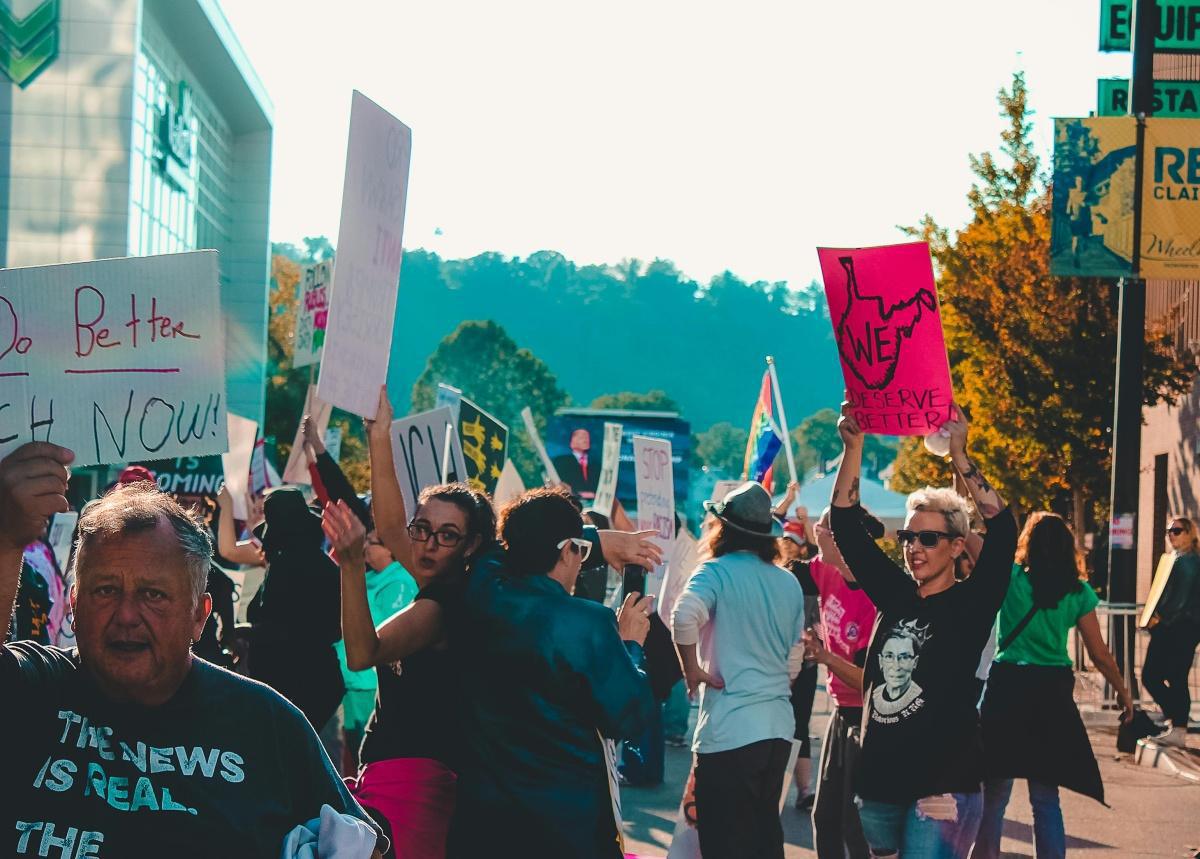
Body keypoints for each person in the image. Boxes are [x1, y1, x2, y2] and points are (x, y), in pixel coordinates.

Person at [0, 442, 384, 858]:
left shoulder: (267, 725)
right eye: (105, 590)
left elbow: (367, 848)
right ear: (74, 606)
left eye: (153, 594)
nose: (126, 615)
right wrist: (5, 539)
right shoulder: (33, 687)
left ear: (199, 616)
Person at [830, 403, 1016, 859]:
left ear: (956, 547)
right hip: (878, 787)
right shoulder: (895, 594)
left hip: (941, 789)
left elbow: (1003, 530)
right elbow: (845, 527)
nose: (914, 547)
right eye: (909, 537)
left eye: (928, 538)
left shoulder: (973, 602)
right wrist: (853, 448)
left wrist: (960, 455)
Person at [324, 387, 500, 859]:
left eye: (448, 535)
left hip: (415, 792)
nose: (427, 544)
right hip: (404, 781)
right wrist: (379, 435)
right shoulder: (439, 573)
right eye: (422, 528)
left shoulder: (440, 608)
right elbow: (391, 522)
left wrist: (350, 563)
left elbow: (362, 653)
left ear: (471, 545)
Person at [445, 487, 660, 858]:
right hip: (564, 824)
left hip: (481, 821)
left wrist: (594, 540)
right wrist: (630, 645)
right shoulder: (588, 623)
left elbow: (492, 552)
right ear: (567, 551)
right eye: (580, 550)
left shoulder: (481, 596)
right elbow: (631, 717)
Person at [972, 512, 1134, 859]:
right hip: (1051, 695)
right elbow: (1100, 654)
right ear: (1067, 548)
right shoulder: (1077, 592)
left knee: (994, 794)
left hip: (1007, 688)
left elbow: (972, 543)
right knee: (1045, 798)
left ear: (1028, 544)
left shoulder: (1010, 578)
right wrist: (1124, 694)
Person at [671, 481, 807, 858]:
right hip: (777, 728)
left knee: (725, 843)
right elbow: (795, 658)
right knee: (764, 837)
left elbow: (683, 617)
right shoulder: (788, 581)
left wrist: (691, 669)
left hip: (730, 728)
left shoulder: (714, 572)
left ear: (722, 529)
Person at [804, 507, 879, 859]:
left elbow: (868, 680)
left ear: (839, 539)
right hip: (840, 711)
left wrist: (826, 657)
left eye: (820, 527)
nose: (815, 531)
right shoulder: (826, 569)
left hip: (867, 717)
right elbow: (788, 570)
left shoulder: (874, 598)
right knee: (824, 816)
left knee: (855, 823)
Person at [246, 487, 344, 733]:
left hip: (296, 685)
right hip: (317, 682)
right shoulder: (321, 565)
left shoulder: (287, 567)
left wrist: (249, 632)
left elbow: (278, 625)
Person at [1142, 516, 1200, 748]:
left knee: (1164, 676)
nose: (1171, 534)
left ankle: (1178, 725)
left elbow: (1179, 599)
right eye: (1169, 530)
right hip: (1179, 627)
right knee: (1169, 676)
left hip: (1178, 626)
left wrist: (1159, 618)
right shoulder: (1176, 558)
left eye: (1176, 530)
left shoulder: (1188, 561)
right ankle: (1177, 723)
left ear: (1189, 533)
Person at [779, 521, 821, 810]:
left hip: (804, 664)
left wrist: (815, 644)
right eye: (785, 540)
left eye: (794, 541)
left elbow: (818, 620)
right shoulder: (773, 573)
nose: (788, 545)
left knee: (799, 725)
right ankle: (774, 793)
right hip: (775, 662)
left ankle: (804, 790)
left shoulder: (809, 574)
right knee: (775, 727)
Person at [552, 427, 600, 499]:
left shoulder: (596, 464)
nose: (586, 440)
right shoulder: (561, 461)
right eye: (581, 437)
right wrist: (578, 494)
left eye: (587, 438)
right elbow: (559, 484)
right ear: (572, 442)